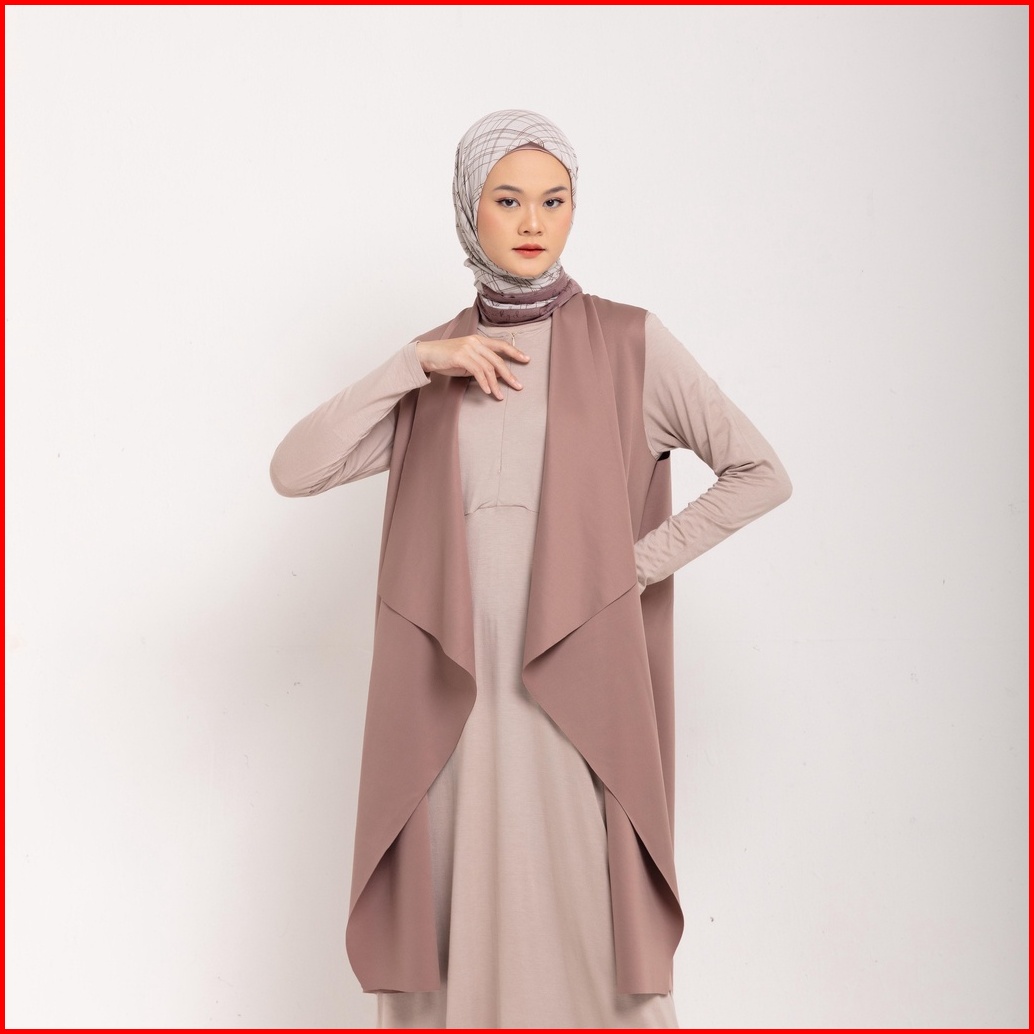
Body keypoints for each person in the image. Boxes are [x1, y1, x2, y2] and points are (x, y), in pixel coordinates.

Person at [270, 109, 791, 1030]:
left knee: (586, 915)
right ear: (469, 209)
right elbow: (295, 470)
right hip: (453, 693)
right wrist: (413, 363)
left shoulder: (630, 343)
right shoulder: (438, 367)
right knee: (448, 913)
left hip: (573, 686)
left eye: (555, 201)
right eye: (508, 200)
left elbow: (760, 472)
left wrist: (628, 571)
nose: (533, 223)